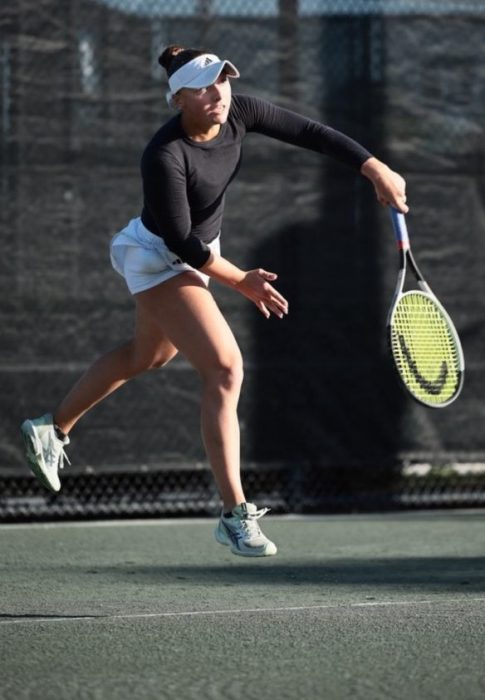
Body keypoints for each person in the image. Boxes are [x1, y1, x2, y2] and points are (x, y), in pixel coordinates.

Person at [20, 45, 408, 557]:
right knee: (226, 368)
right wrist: (241, 281)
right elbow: (181, 243)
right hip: (159, 255)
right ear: (177, 97)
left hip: (201, 251)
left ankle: (52, 429)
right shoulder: (165, 155)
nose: (217, 93)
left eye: (222, 81)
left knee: (148, 355)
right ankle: (234, 514)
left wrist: (373, 167)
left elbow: (310, 133)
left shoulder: (240, 111)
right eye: (202, 87)